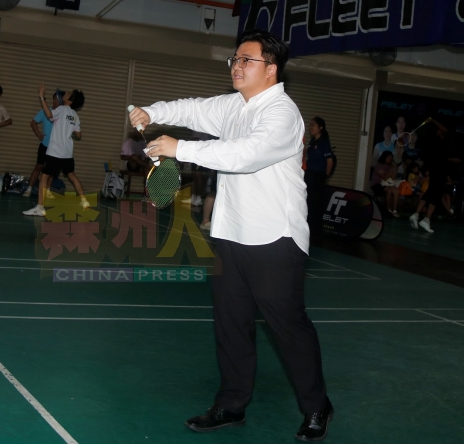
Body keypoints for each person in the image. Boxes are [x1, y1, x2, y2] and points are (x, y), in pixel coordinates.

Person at [129, 29, 332, 442]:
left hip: (275, 238)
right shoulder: (232, 106)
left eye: (246, 60)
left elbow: (245, 155)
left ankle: (316, 406)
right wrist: (151, 111)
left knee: (288, 328)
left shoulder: (282, 114)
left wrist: (180, 149)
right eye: (235, 59)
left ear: (271, 69)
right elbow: (192, 109)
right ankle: (232, 404)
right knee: (231, 325)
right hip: (230, 233)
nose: (237, 66)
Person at [23, 85, 90, 216]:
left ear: (70, 100)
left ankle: (40, 208)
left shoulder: (61, 109)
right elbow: (78, 135)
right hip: (67, 153)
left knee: (44, 176)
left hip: (55, 152)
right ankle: (84, 201)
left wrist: (42, 97)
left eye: (68, 94)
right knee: (71, 175)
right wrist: (67, 130)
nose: (65, 94)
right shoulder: (75, 115)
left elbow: (49, 114)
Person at [409, 119, 460, 233]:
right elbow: (444, 130)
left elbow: (441, 157)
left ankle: (416, 215)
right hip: (439, 170)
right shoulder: (440, 137)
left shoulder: (435, 141)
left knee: (430, 192)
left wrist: (451, 160)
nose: (440, 130)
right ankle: (426, 220)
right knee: (436, 195)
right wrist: (432, 121)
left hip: (435, 168)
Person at [22, 92, 59, 198]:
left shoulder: (62, 114)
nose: (55, 101)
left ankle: (47, 192)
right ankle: (29, 189)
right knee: (38, 167)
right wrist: (39, 135)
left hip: (56, 148)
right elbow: (33, 122)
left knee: (51, 171)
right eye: (54, 99)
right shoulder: (45, 111)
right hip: (44, 145)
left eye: (58, 100)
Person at [304, 116, 333, 236]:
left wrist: (325, 177)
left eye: (313, 125)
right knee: (308, 203)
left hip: (318, 177)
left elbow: (329, 161)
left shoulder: (324, 142)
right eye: (310, 125)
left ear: (320, 128)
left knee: (316, 204)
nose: (310, 128)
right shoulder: (312, 142)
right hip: (309, 175)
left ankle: (316, 232)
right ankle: (308, 229)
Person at [370, 151, 400, 217]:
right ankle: (388, 209)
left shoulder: (390, 166)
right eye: (388, 157)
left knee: (396, 191)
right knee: (389, 190)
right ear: (384, 157)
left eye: (391, 157)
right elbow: (385, 177)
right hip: (377, 184)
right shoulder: (379, 166)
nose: (390, 159)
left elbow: (392, 178)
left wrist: (395, 171)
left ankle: (394, 210)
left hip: (387, 184)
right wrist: (391, 170)